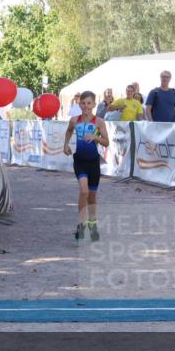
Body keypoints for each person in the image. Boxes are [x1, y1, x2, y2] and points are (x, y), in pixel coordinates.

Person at [63, 91, 109, 242]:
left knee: (92, 195)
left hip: (93, 161)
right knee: (84, 191)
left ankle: (93, 223)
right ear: (79, 104)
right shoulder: (74, 120)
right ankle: (81, 224)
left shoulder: (99, 122)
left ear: (94, 105)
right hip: (80, 161)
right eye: (83, 103)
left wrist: (96, 137)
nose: (86, 106)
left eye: (89, 103)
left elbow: (106, 142)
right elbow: (69, 131)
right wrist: (66, 145)